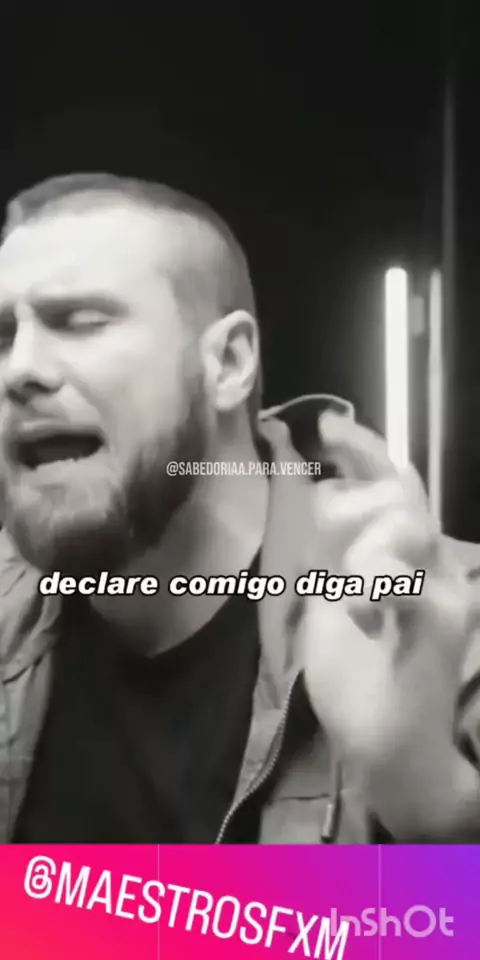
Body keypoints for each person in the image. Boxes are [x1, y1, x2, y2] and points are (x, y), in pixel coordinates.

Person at [0, 172, 479, 845]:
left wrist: (426, 794)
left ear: (228, 363)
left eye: (79, 323)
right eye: (2, 336)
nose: (19, 369)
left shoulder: (439, 622)